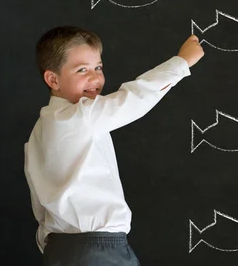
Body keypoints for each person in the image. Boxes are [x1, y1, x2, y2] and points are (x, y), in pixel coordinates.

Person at [24, 25, 204, 265]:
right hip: (96, 250)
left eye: (98, 67)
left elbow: (40, 202)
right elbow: (134, 98)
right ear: (52, 79)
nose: (95, 78)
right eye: (82, 70)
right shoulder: (80, 116)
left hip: (61, 248)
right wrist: (182, 62)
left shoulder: (40, 131)